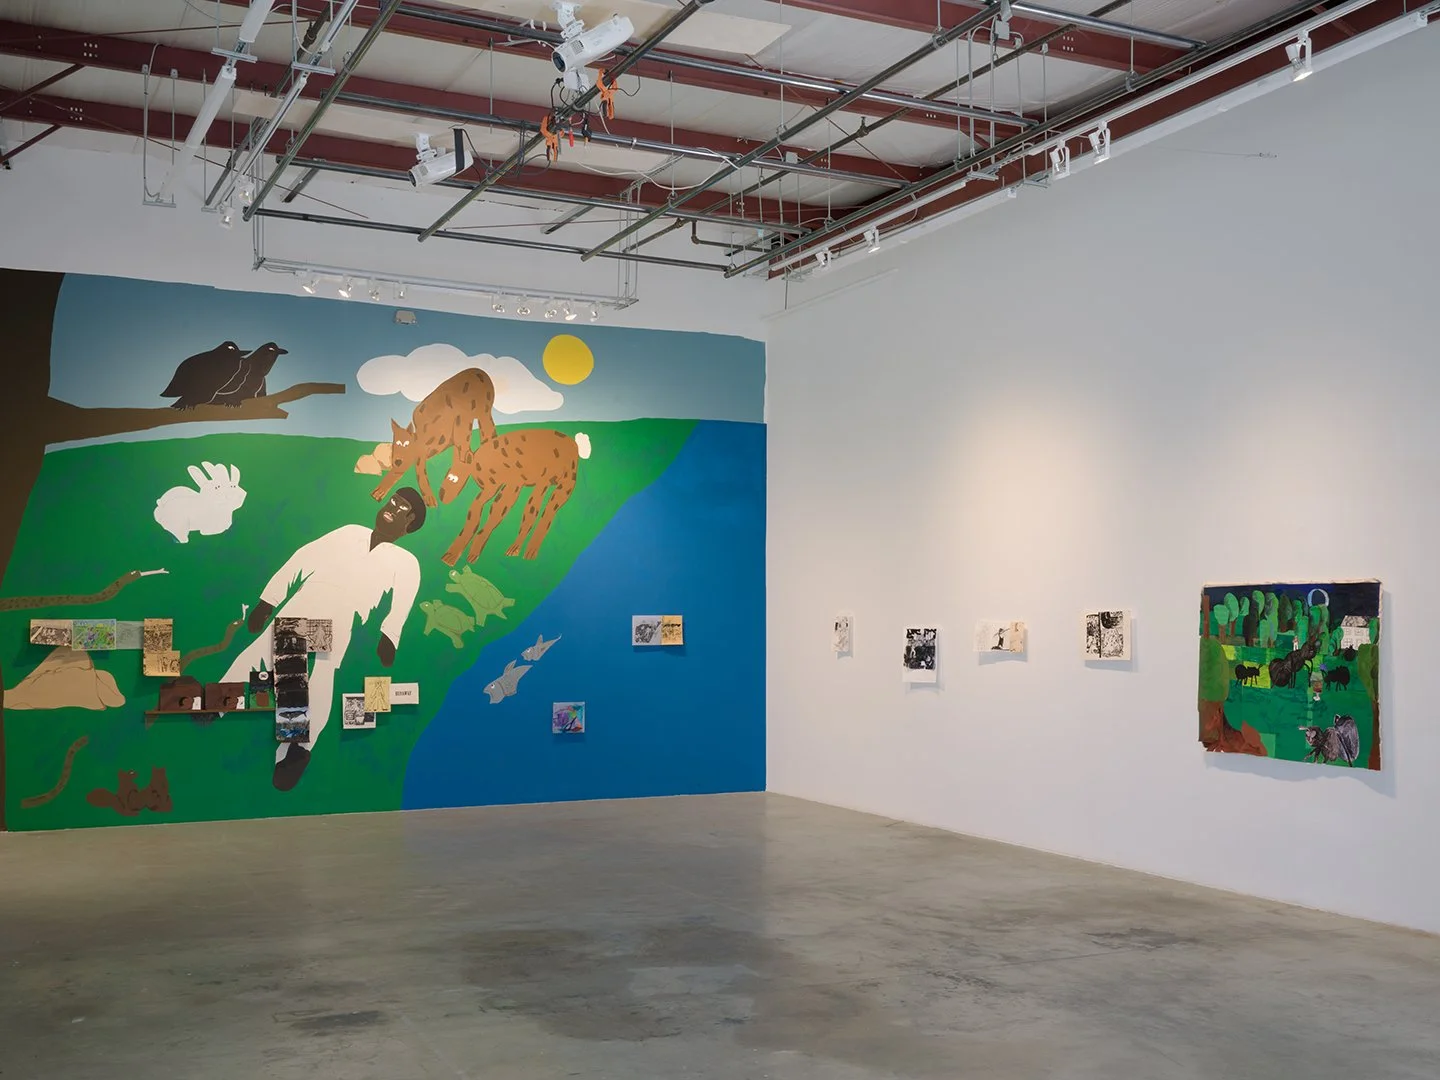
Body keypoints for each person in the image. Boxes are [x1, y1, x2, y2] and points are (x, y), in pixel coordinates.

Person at [221, 488, 425, 791]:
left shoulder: (405, 561)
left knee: (319, 675)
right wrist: (268, 600)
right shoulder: (350, 532)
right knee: (269, 661)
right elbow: (304, 557)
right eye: (392, 501)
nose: (391, 508)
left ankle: (296, 749)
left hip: (340, 615)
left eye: (402, 508)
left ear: (410, 523)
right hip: (308, 600)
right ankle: (218, 703)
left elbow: (403, 603)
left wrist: (389, 636)